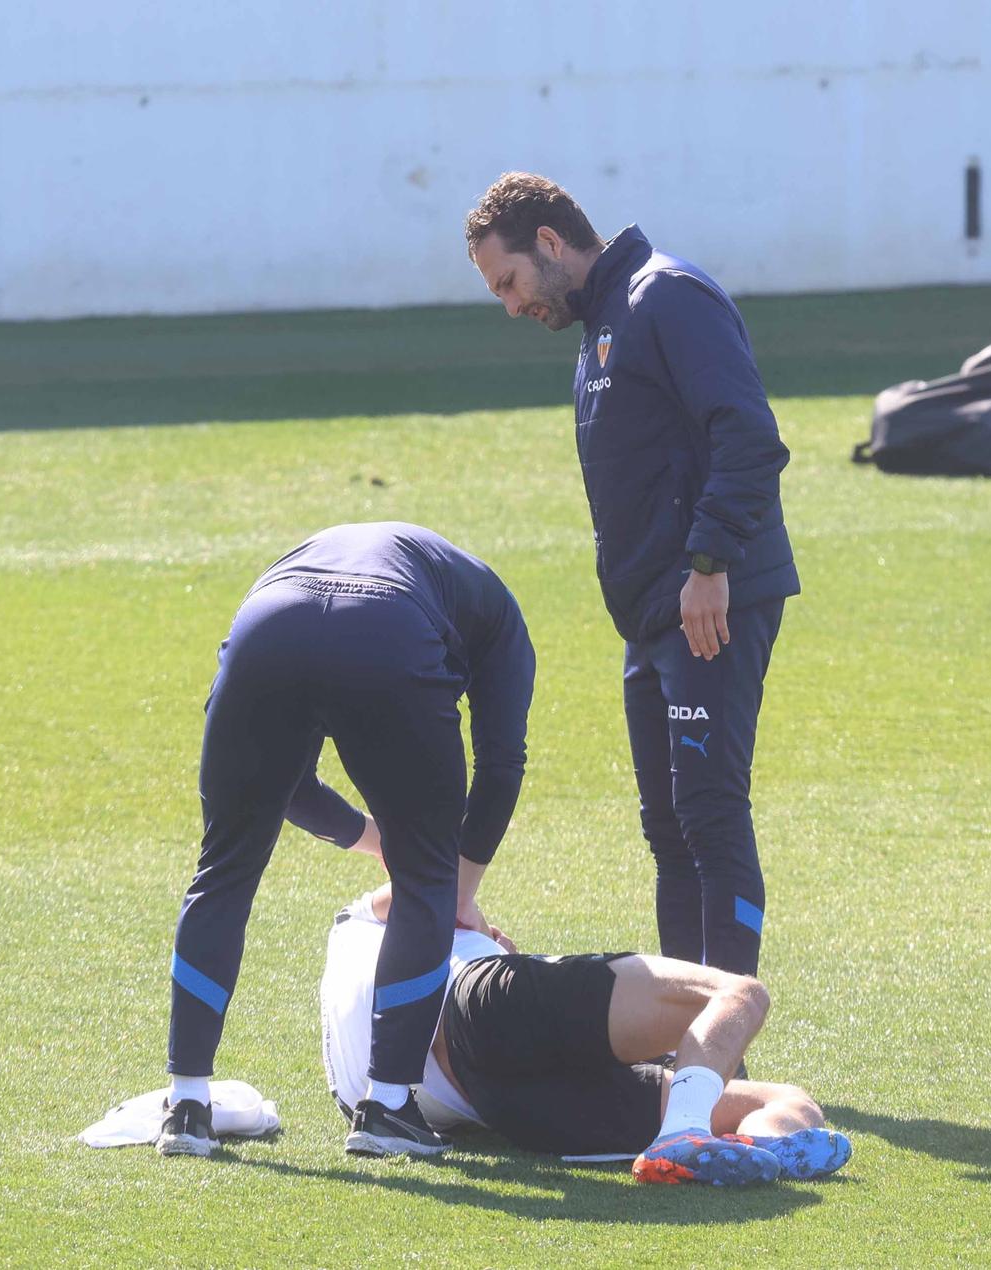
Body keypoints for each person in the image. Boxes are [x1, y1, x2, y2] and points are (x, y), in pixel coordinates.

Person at [464, 173, 799, 978]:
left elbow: (748, 436)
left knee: (710, 816)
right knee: (670, 829)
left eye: (508, 281)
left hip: (709, 601)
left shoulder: (667, 296)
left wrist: (709, 565)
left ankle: (720, 1040)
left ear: (549, 242)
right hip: (651, 620)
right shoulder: (602, 327)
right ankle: (689, 1030)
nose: (510, 305)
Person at [160, 522, 535, 1158]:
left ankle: (187, 1105)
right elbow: (501, 767)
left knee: (222, 870)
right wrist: (452, 889)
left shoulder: (413, 577)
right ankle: (387, 1107)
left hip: (269, 616)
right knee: (425, 881)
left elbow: (289, 788)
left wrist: (376, 840)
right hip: (386, 624)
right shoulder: (501, 621)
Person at [321, 885, 851, 1185]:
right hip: (480, 1016)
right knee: (739, 995)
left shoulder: (351, 1065)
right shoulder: (367, 917)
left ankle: (759, 1147)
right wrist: (484, 932)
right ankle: (693, 1132)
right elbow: (436, 877)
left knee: (786, 1100)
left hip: (484, 1104)